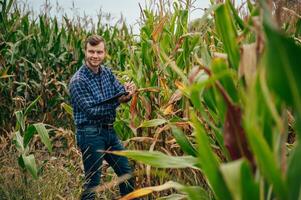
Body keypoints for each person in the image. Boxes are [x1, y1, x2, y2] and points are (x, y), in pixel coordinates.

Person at [69, 35, 136, 200]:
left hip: (109, 132)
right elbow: (92, 111)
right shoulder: (78, 81)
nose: (95, 56)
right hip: (90, 134)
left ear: (104, 53)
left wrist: (128, 93)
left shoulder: (107, 73)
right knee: (93, 183)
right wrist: (118, 101)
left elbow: (120, 93)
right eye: (91, 51)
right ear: (85, 51)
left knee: (126, 173)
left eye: (99, 52)